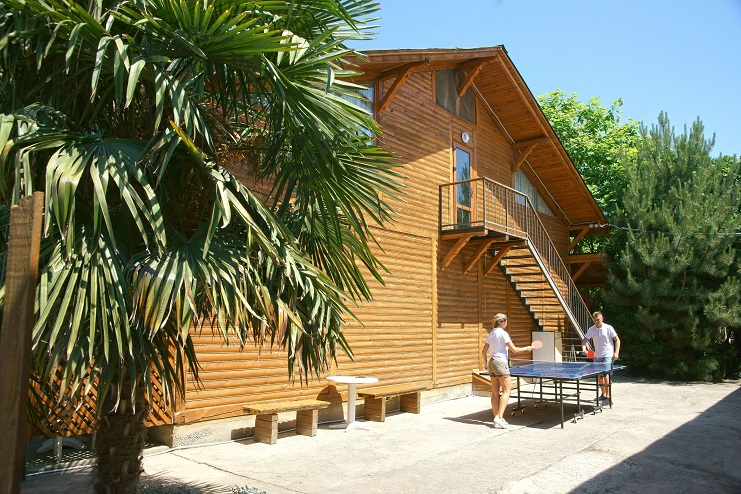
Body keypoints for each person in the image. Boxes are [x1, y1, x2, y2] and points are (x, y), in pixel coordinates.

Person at [481, 313, 534, 429]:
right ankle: (499, 417)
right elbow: (514, 350)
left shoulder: (491, 334)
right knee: (507, 390)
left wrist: (485, 363)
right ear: (504, 322)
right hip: (500, 363)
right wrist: (527, 348)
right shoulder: (503, 334)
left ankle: (497, 418)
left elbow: (483, 352)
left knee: (495, 393)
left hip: (492, 363)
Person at [581, 311, 621, 405]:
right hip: (597, 356)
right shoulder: (592, 329)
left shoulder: (608, 328)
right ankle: (603, 394)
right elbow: (584, 340)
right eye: (595, 320)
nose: (596, 322)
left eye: (598, 320)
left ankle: (608, 397)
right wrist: (584, 350)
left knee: (606, 374)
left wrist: (616, 352)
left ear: (602, 319)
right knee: (599, 375)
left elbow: (617, 340)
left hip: (608, 355)